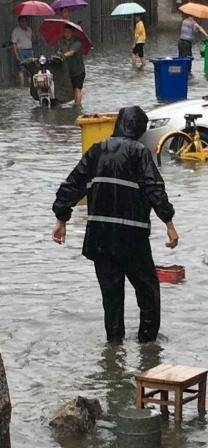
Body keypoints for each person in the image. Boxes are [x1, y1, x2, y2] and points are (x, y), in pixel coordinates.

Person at [52, 106, 179, 344]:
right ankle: (148, 345)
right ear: (139, 129)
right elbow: (154, 189)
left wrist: (61, 219)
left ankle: (114, 347)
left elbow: (72, 185)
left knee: (111, 297)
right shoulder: (139, 152)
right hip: (132, 239)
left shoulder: (96, 150)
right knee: (147, 292)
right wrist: (169, 222)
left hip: (100, 240)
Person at [58, 24, 85, 105]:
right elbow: (58, 51)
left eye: (69, 32)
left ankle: (78, 108)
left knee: (77, 89)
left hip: (78, 71)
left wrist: (62, 55)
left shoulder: (77, 42)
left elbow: (71, 52)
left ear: (73, 32)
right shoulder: (61, 41)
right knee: (72, 90)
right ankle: (76, 104)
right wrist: (58, 52)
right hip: (67, 71)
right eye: (65, 32)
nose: (67, 34)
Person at [11, 16, 34, 86]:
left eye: (25, 21)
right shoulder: (15, 31)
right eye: (22, 21)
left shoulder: (29, 29)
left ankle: (30, 85)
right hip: (21, 50)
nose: (24, 23)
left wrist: (33, 36)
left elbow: (31, 40)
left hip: (29, 50)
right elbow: (14, 44)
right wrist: (17, 55)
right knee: (21, 68)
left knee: (31, 68)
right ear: (19, 22)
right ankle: (22, 85)